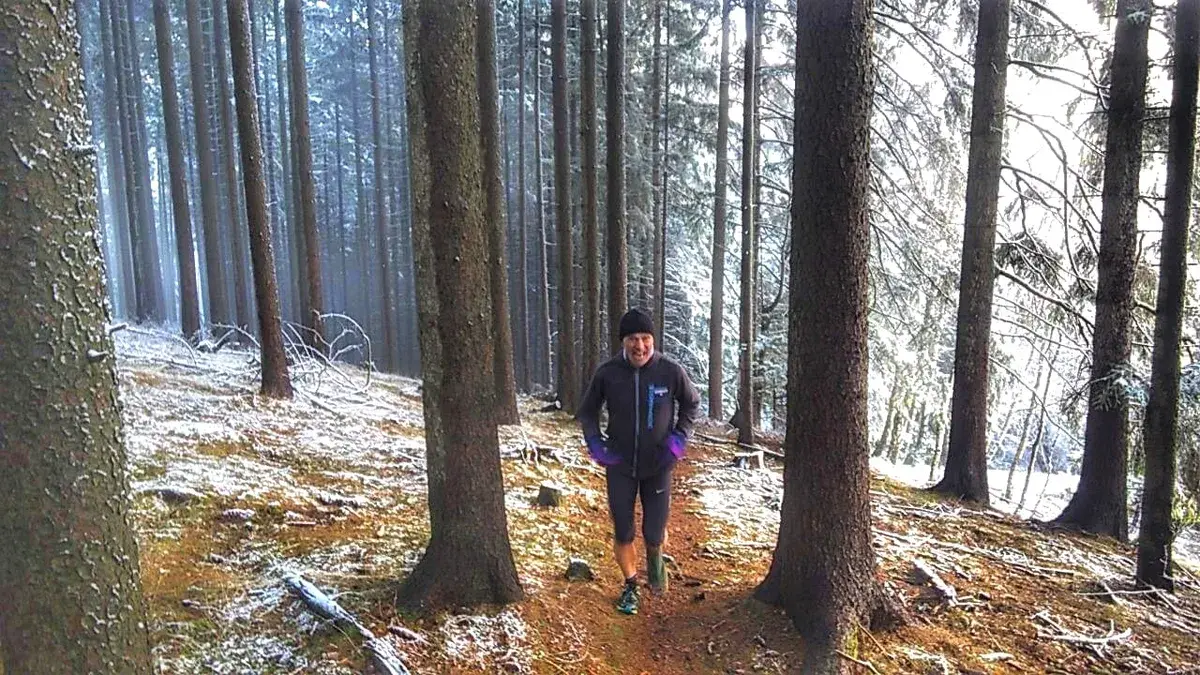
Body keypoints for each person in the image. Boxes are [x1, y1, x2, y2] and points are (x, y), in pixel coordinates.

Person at [577, 308, 701, 615]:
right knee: (623, 530)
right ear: (623, 341)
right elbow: (588, 411)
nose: (640, 346)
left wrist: (678, 439)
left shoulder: (670, 371)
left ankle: (656, 558)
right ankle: (631, 585)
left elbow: (691, 403)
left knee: (654, 532)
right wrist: (595, 444)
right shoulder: (608, 373)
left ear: (653, 340)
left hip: (659, 464)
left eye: (645, 338)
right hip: (620, 465)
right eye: (633, 339)